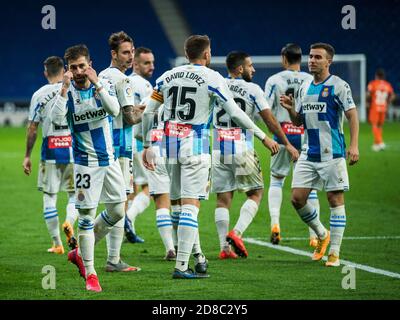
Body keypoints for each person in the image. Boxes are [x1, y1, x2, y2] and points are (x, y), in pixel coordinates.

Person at [142, 35, 279, 279]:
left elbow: (150, 112)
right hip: (195, 144)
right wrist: (263, 137)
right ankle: (182, 267)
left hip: (168, 145)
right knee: (191, 207)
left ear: (186, 54)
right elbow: (235, 113)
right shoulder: (213, 78)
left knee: (180, 205)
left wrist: (146, 144)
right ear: (206, 55)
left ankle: (198, 257)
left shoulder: (166, 76)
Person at [51, 44, 137, 292]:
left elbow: (114, 110)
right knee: (86, 218)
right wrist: (65, 87)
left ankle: (80, 252)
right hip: (84, 165)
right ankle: (91, 273)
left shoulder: (104, 86)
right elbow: (57, 120)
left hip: (109, 160)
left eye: (82, 66)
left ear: (90, 64)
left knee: (118, 212)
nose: (78, 71)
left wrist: (97, 84)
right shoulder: (65, 93)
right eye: (73, 67)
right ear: (68, 69)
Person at [212, 51, 299, 259]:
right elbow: (270, 121)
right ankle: (237, 232)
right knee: (256, 193)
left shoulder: (218, 85)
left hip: (218, 148)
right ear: (240, 69)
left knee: (223, 200)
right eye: (250, 66)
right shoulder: (252, 89)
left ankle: (224, 249)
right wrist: (285, 143)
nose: (254, 69)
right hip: (241, 148)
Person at [280, 42, 359, 267]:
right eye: (311, 56)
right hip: (308, 152)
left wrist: (353, 145)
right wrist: (290, 109)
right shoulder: (305, 87)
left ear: (328, 61)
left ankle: (334, 251)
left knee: (335, 199)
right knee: (297, 198)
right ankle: (321, 234)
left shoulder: (338, 86)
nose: (312, 60)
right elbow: (300, 122)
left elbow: (352, 115)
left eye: (317, 57)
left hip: (332, 153)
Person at [264, 43, 320, 247]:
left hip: (283, 135)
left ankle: (275, 223)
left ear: (284, 58)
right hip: (304, 136)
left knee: (277, 180)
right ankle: (314, 234)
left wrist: (272, 132)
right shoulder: (310, 80)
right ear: (301, 59)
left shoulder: (274, 80)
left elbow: (266, 109)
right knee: (310, 188)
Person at [98, 31, 144, 272]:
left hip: (103, 145)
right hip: (121, 147)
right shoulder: (123, 80)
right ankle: (108, 257)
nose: (130, 57)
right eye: (126, 52)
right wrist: (147, 109)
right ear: (114, 54)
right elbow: (129, 117)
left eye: (132, 52)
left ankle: (112, 260)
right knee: (119, 204)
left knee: (114, 202)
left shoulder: (103, 76)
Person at [23, 56, 78, 254]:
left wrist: (27, 155)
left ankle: (57, 244)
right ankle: (70, 222)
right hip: (73, 150)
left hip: (50, 151)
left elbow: (32, 128)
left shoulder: (39, 95)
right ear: (64, 70)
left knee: (49, 197)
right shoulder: (73, 90)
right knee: (74, 196)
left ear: (46, 72)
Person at [124, 47, 155, 243]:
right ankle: (129, 218)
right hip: (139, 142)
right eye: (146, 63)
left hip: (124, 142)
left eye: (152, 62)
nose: (151, 66)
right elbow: (150, 116)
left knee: (130, 189)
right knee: (152, 188)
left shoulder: (124, 82)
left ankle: (128, 230)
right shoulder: (145, 87)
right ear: (135, 64)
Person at [367, 68, 395, 151]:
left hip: (375, 107)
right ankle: (376, 144)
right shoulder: (388, 85)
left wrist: (367, 101)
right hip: (383, 107)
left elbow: (368, 94)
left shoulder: (373, 83)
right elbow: (393, 96)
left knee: (375, 125)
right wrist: (387, 101)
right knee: (380, 125)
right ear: (383, 76)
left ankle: (380, 142)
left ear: (376, 76)